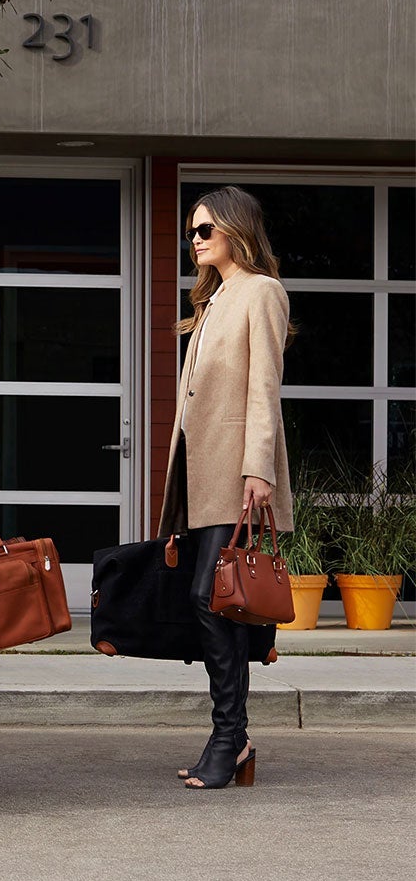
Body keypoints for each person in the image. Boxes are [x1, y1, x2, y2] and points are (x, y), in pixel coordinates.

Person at [159, 185, 293, 790]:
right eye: (191, 231)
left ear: (236, 230)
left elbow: (265, 386)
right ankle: (231, 738)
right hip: (201, 473)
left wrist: (257, 468)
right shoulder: (213, 300)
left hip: (235, 474)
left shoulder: (261, 292)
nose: (195, 240)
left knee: (212, 598)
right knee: (214, 600)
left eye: (205, 230)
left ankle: (230, 738)